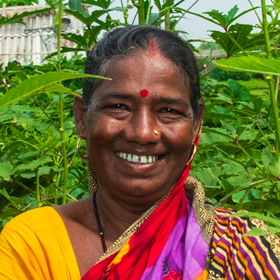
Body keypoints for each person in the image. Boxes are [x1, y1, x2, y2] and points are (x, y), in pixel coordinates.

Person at [0, 25, 279, 280]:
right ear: (81, 117)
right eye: (119, 107)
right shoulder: (34, 244)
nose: (143, 133)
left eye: (168, 111)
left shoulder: (243, 249)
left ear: (196, 124)